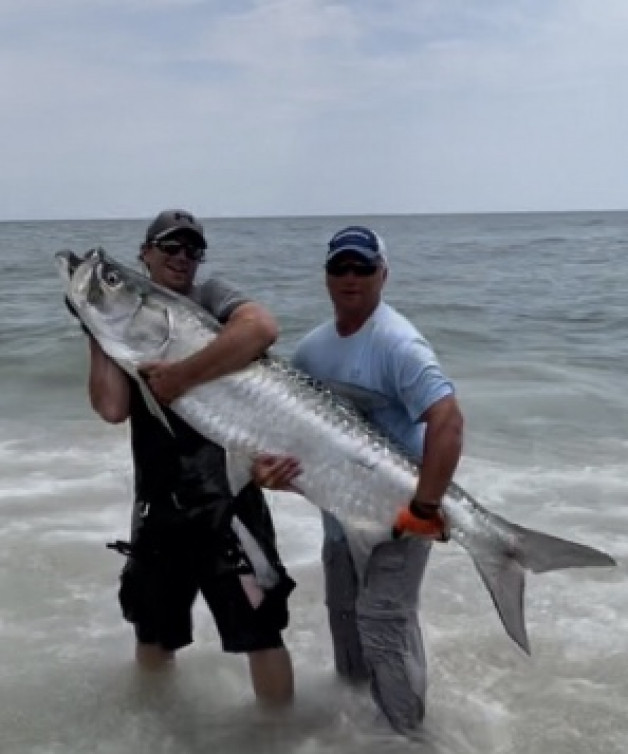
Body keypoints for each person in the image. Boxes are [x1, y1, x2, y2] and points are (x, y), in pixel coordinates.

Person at [253, 226, 463, 733]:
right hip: (338, 519)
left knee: (385, 626)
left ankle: (409, 738)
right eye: (340, 268)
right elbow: (286, 438)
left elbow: (448, 420)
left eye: (363, 267)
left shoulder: (398, 343)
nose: (351, 278)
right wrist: (269, 475)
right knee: (346, 620)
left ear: (383, 274)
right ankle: (354, 732)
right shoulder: (310, 352)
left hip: (404, 514)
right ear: (326, 276)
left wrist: (426, 509)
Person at [82, 209, 295, 705]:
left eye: (192, 249)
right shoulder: (123, 319)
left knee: (261, 631)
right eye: (170, 247)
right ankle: (158, 732)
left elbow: (261, 328)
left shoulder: (212, 297)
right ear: (145, 253)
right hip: (158, 503)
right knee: (153, 632)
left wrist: (181, 377)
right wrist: (95, 327)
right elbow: (113, 407)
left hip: (231, 503)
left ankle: (281, 738)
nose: (182, 258)